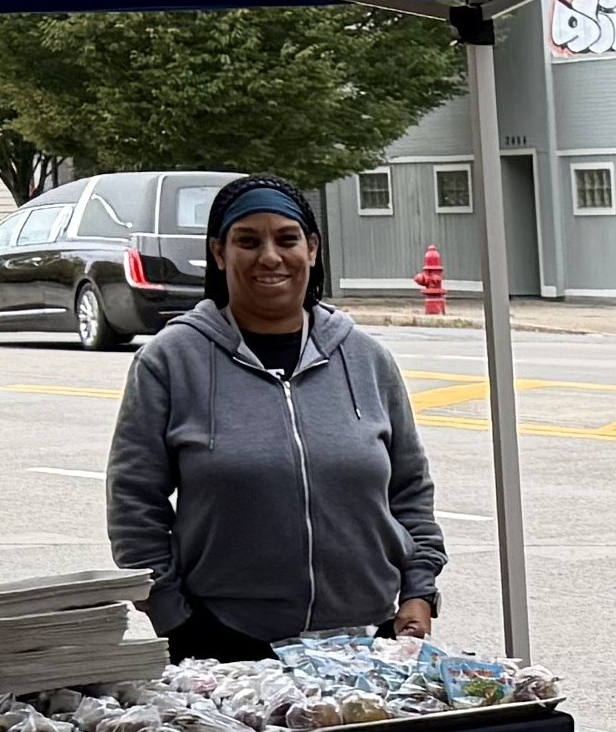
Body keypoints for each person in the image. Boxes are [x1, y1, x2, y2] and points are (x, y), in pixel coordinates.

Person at [105, 177, 445, 659]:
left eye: (287, 239)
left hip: (369, 642)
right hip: (225, 643)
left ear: (311, 249)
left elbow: (409, 490)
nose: (270, 257)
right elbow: (134, 505)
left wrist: (418, 591)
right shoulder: (170, 362)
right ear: (220, 254)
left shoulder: (366, 358)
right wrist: (174, 616)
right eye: (248, 241)